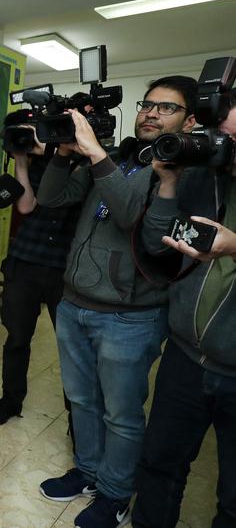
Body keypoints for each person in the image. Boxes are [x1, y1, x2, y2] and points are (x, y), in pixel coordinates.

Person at [36, 76, 197, 528]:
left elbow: (131, 217)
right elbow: (51, 198)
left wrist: (95, 154)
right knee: (81, 400)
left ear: (191, 120)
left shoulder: (181, 171)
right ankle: (89, 472)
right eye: (148, 104)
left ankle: (115, 492)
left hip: (130, 317)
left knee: (121, 414)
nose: (150, 113)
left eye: (167, 108)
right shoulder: (124, 157)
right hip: (74, 302)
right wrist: (64, 154)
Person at [133, 86, 236, 527]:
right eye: (223, 136)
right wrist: (170, 181)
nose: (225, 148)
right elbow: (156, 245)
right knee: (159, 467)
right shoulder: (200, 175)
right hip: (185, 357)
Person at [0, 129, 80, 426]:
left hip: (66, 267)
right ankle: (11, 400)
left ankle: (78, 416)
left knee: (72, 347)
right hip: (25, 260)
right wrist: (23, 161)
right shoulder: (38, 165)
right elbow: (25, 206)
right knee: (17, 337)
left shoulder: (91, 164)